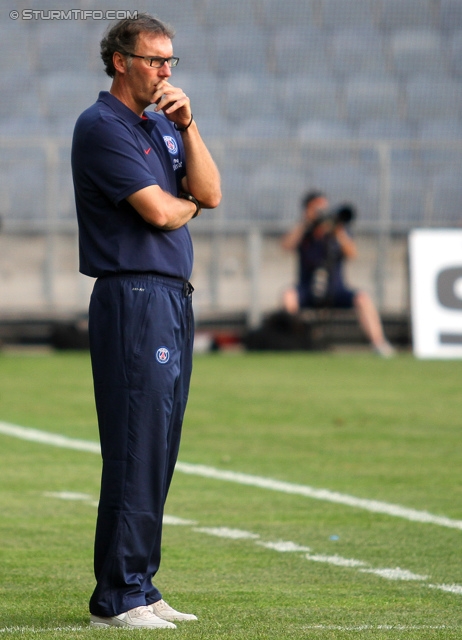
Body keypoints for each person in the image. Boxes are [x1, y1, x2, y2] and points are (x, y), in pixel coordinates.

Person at [71, 14, 221, 629]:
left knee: (158, 445)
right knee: (136, 442)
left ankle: (139, 582)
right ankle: (120, 595)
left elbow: (210, 193)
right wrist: (184, 205)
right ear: (120, 61)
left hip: (169, 296)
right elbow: (164, 212)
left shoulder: (162, 125)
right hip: (133, 295)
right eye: (155, 60)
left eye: (170, 62)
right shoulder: (101, 125)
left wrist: (188, 124)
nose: (165, 72)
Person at [281, 191, 395, 357]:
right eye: (317, 208)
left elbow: (352, 254)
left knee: (363, 298)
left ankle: (379, 343)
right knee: (288, 296)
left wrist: (338, 231)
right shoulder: (304, 233)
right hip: (308, 289)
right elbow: (286, 245)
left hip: (335, 289)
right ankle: (294, 342)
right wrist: (305, 223)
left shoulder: (337, 232)